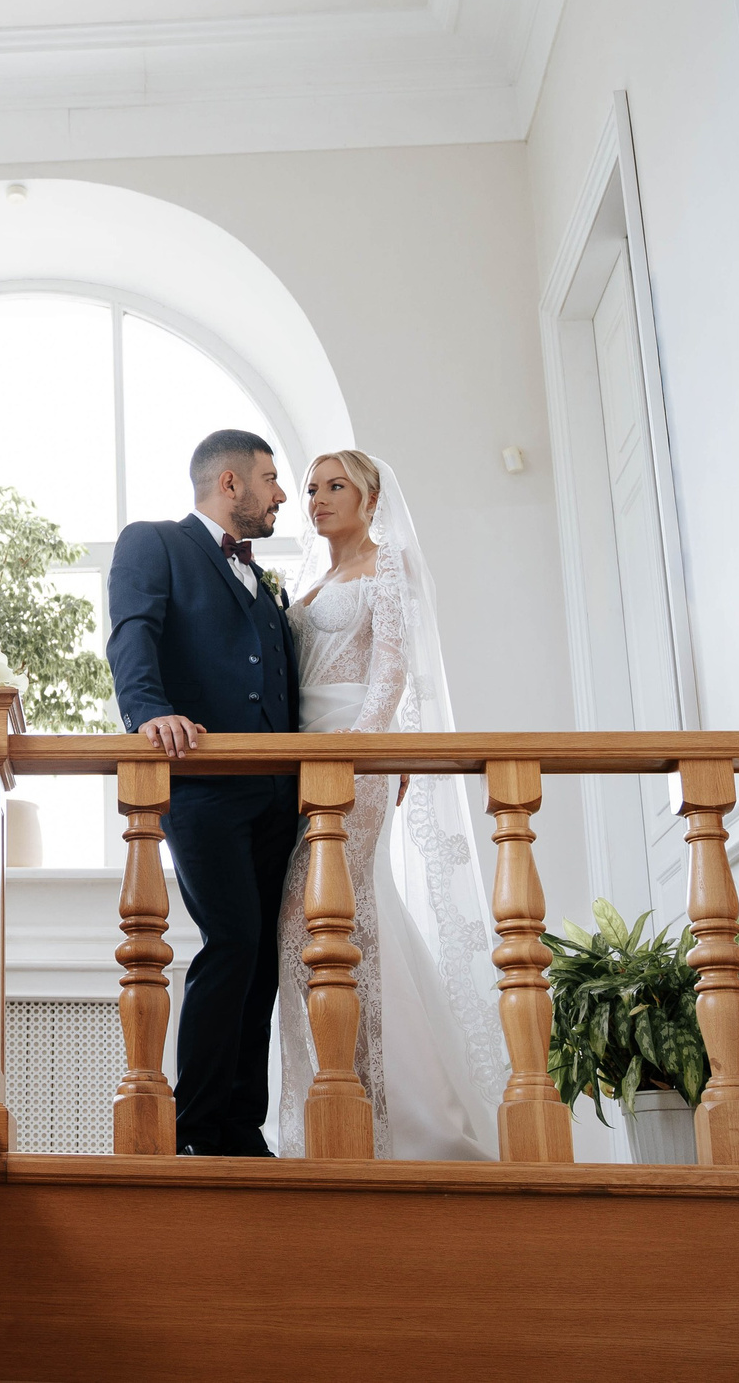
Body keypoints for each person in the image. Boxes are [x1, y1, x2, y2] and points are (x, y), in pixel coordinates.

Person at [275, 450, 507, 1159]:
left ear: (371, 498)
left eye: (336, 486)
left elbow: (393, 668)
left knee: (332, 916)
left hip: (353, 758)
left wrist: (363, 746)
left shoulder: (388, 567)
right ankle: (311, 1108)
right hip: (296, 763)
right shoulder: (310, 586)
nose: (319, 498)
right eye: (312, 488)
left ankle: (366, 1110)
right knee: (313, 924)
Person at [104, 429, 301, 1157]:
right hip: (206, 787)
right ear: (230, 483)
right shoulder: (153, 543)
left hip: (279, 793)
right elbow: (133, 634)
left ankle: (243, 1123)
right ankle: (196, 1129)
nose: (282, 494)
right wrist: (149, 711)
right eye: (271, 478)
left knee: (266, 957)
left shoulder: (261, 577)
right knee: (233, 939)